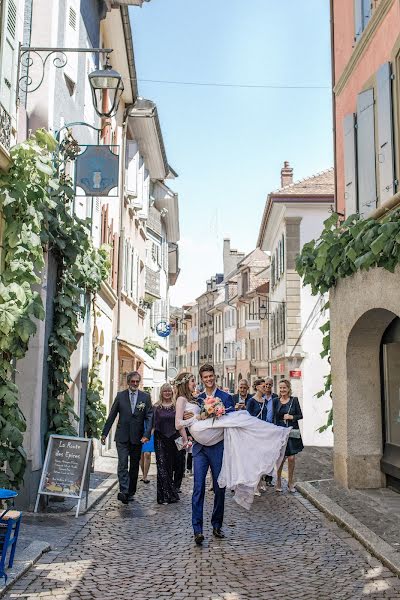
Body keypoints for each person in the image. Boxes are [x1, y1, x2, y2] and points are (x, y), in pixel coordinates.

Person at [179, 365, 291, 531]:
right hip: (199, 448)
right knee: (198, 488)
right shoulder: (197, 399)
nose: (208, 379)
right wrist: (186, 416)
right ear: (202, 379)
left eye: (211, 376)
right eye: (205, 377)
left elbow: (232, 420)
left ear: (214, 376)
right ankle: (197, 529)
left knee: (219, 488)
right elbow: (188, 418)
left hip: (218, 447)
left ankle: (217, 526)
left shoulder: (225, 396)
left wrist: (218, 412)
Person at [101, 371, 153, 504]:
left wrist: (146, 435)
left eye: (137, 381)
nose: (135, 384)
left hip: (137, 437)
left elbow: (150, 417)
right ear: (128, 382)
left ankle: (131, 491)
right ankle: (124, 491)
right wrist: (104, 433)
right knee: (123, 464)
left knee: (134, 466)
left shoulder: (145, 397)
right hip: (122, 436)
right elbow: (112, 415)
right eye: (132, 381)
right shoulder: (120, 396)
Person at [153, 383, 185, 505]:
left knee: (176, 466)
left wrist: (186, 438)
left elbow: (182, 422)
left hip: (175, 439)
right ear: (161, 392)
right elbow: (152, 424)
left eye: (169, 391)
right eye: (165, 391)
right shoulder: (156, 407)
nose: (167, 393)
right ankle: (164, 496)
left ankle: (172, 491)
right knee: (162, 467)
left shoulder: (176, 406)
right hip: (160, 439)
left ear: (172, 392)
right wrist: (146, 436)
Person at [247, 377, 279, 488]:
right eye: (263, 386)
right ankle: (256, 483)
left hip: (264, 433)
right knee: (255, 459)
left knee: (262, 458)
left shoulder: (265, 401)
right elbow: (248, 418)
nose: (265, 387)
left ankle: (260, 481)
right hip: (254, 433)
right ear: (257, 387)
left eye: (266, 386)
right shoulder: (251, 401)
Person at [275, 379, 304, 493]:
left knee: (291, 458)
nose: (282, 390)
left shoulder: (294, 400)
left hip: (291, 433)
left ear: (288, 389)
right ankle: (278, 480)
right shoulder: (275, 401)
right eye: (281, 388)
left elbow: (300, 415)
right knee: (281, 459)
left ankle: (290, 482)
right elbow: (274, 417)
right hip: (280, 432)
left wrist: (291, 417)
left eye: (284, 388)